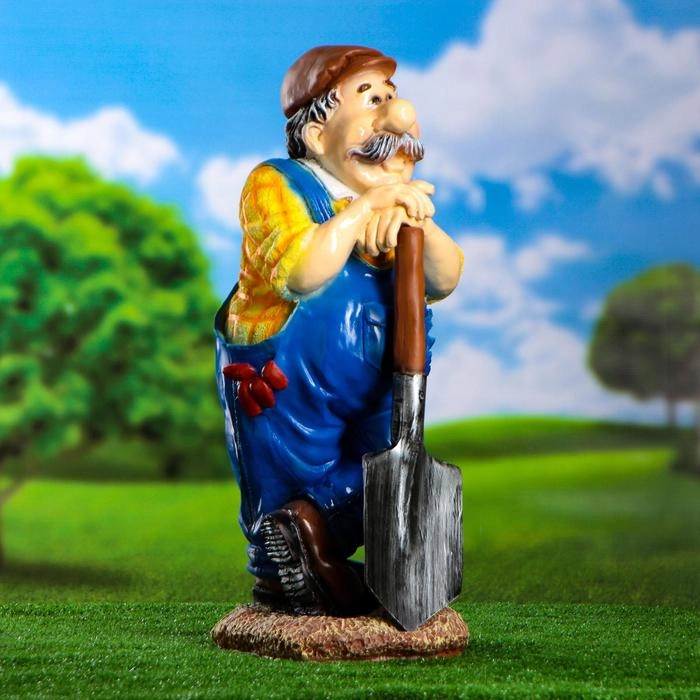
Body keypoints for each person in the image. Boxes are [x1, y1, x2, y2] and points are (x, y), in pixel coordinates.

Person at [215, 45, 463, 616]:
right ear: (317, 131)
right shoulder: (278, 185)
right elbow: (301, 272)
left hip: (383, 381)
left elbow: (445, 277)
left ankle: (322, 549)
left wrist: (415, 220)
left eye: (392, 96)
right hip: (291, 387)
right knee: (291, 481)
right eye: (370, 99)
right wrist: (360, 212)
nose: (397, 115)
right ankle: (283, 570)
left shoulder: (393, 201)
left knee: (384, 475)